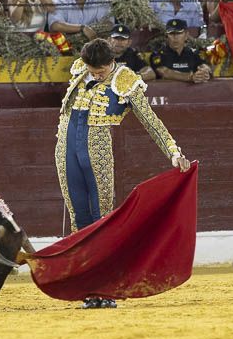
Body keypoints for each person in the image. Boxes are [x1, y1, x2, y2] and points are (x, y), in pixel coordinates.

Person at [55, 36, 191, 307]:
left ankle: (106, 287)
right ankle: (87, 289)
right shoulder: (81, 69)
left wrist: (174, 152)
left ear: (112, 62)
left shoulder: (125, 79)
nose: (95, 74)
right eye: (92, 69)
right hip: (65, 150)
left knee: (102, 219)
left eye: (100, 71)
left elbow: (150, 120)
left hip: (97, 151)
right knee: (78, 220)